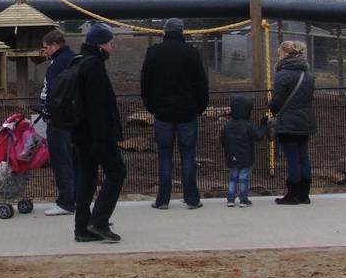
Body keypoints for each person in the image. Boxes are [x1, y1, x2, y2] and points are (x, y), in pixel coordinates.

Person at [141, 17, 210, 210]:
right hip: (187, 112)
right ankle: (191, 199)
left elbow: (145, 83)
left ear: (164, 32)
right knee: (188, 155)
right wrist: (200, 107)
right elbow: (202, 83)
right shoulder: (192, 53)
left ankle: (163, 200)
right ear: (182, 32)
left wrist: (151, 106)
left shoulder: (153, 52)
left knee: (164, 156)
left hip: (162, 112)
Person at [72, 24, 125, 244]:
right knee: (117, 173)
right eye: (110, 43)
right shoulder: (94, 67)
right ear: (100, 44)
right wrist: (103, 138)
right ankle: (99, 222)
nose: (112, 48)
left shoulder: (78, 61)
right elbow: (98, 107)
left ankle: (82, 228)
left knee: (87, 179)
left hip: (80, 134)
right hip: (97, 135)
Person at [269, 41, 317, 205]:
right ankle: (305, 194)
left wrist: (271, 107)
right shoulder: (308, 75)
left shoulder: (282, 75)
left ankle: (292, 195)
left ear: (284, 54)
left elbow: (277, 102)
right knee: (303, 156)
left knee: (292, 159)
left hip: (288, 122)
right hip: (305, 121)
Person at [38, 29, 77, 216]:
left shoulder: (57, 64)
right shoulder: (74, 59)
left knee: (61, 161)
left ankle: (66, 202)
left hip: (58, 121)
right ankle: (76, 197)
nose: (44, 51)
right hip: (73, 119)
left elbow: (54, 92)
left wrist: (47, 110)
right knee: (74, 160)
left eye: (46, 48)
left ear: (55, 45)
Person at [219, 95, 270, 207]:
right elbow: (258, 136)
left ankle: (231, 199)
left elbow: (222, 140)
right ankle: (243, 199)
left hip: (231, 156)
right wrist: (263, 125)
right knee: (243, 177)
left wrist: (228, 150)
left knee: (233, 177)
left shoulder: (228, 125)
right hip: (246, 157)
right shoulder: (248, 125)